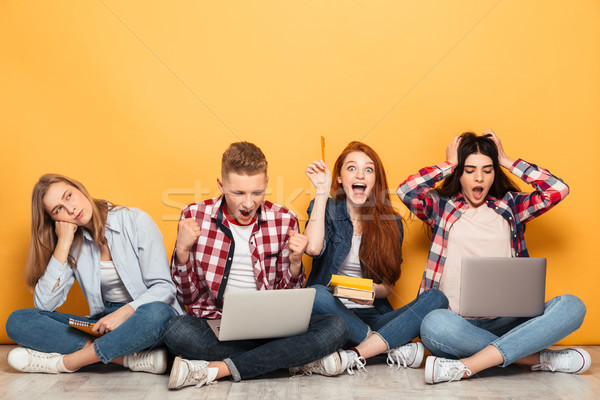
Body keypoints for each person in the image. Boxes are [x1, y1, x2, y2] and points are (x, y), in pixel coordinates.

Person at [397, 130, 590, 384]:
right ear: (459, 174)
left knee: (572, 306)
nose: (479, 178)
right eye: (469, 170)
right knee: (433, 325)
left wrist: (508, 161)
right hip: (455, 324)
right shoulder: (441, 207)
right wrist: (449, 164)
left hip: (508, 321)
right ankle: (539, 359)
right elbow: (405, 191)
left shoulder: (510, 206)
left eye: (488, 170)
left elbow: (558, 189)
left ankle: (467, 365)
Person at [164, 142, 348, 390]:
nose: (248, 204)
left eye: (257, 192)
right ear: (221, 185)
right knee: (176, 331)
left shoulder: (284, 220)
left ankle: (219, 368)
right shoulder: (194, 215)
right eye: (238, 193)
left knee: (336, 327)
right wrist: (182, 252)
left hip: (271, 328)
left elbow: (289, 300)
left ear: (267, 183)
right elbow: (187, 296)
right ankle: (291, 359)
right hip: (214, 324)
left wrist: (295, 264)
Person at [292, 141, 448, 376]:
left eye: (368, 169)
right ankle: (384, 346)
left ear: (376, 179)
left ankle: (357, 351)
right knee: (315, 293)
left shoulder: (391, 222)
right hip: (331, 317)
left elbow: (388, 286)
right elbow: (313, 249)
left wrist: (372, 292)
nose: (360, 175)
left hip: (373, 314)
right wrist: (322, 192)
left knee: (436, 297)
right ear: (340, 178)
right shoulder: (326, 208)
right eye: (351, 168)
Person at [6, 174, 183, 374]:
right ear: (55, 220)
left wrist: (123, 313)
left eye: (69, 196)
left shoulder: (135, 220)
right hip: (103, 325)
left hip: (144, 321)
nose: (70, 209)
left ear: (79, 188)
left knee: (159, 312)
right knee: (18, 321)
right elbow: (44, 304)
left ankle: (67, 363)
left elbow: (164, 288)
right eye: (58, 210)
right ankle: (124, 359)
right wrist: (63, 243)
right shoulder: (72, 242)